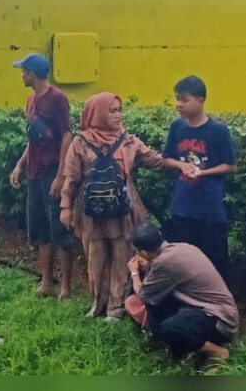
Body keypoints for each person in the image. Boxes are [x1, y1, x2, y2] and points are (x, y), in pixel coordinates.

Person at [59, 92, 195, 321]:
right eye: (111, 111)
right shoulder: (80, 142)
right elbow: (70, 177)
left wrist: (180, 164)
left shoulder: (128, 141)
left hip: (123, 211)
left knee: (123, 259)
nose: (117, 116)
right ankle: (98, 305)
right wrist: (65, 206)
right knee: (96, 259)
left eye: (119, 110)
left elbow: (154, 159)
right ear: (97, 113)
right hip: (92, 213)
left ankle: (116, 308)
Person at [8, 53, 74, 299]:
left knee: (59, 229)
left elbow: (67, 136)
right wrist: (19, 166)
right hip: (34, 172)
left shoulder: (58, 100)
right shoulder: (31, 100)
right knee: (39, 227)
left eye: (23, 71)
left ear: (32, 74)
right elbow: (33, 140)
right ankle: (47, 282)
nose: (22, 75)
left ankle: (66, 287)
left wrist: (61, 176)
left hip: (51, 171)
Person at [127, 222, 239, 369]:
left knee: (169, 327)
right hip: (218, 312)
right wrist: (149, 267)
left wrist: (134, 272)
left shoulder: (163, 262)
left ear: (143, 253)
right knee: (158, 301)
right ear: (160, 235)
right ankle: (190, 348)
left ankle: (217, 352)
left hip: (219, 320)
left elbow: (144, 295)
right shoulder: (183, 247)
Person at [162, 76, 238, 283]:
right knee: (181, 258)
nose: (179, 105)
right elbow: (166, 159)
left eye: (184, 100)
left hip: (209, 208)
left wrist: (204, 172)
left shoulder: (218, 131)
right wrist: (181, 165)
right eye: (177, 99)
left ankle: (218, 304)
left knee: (215, 259)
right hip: (182, 205)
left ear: (201, 100)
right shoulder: (176, 127)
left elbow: (230, 165)